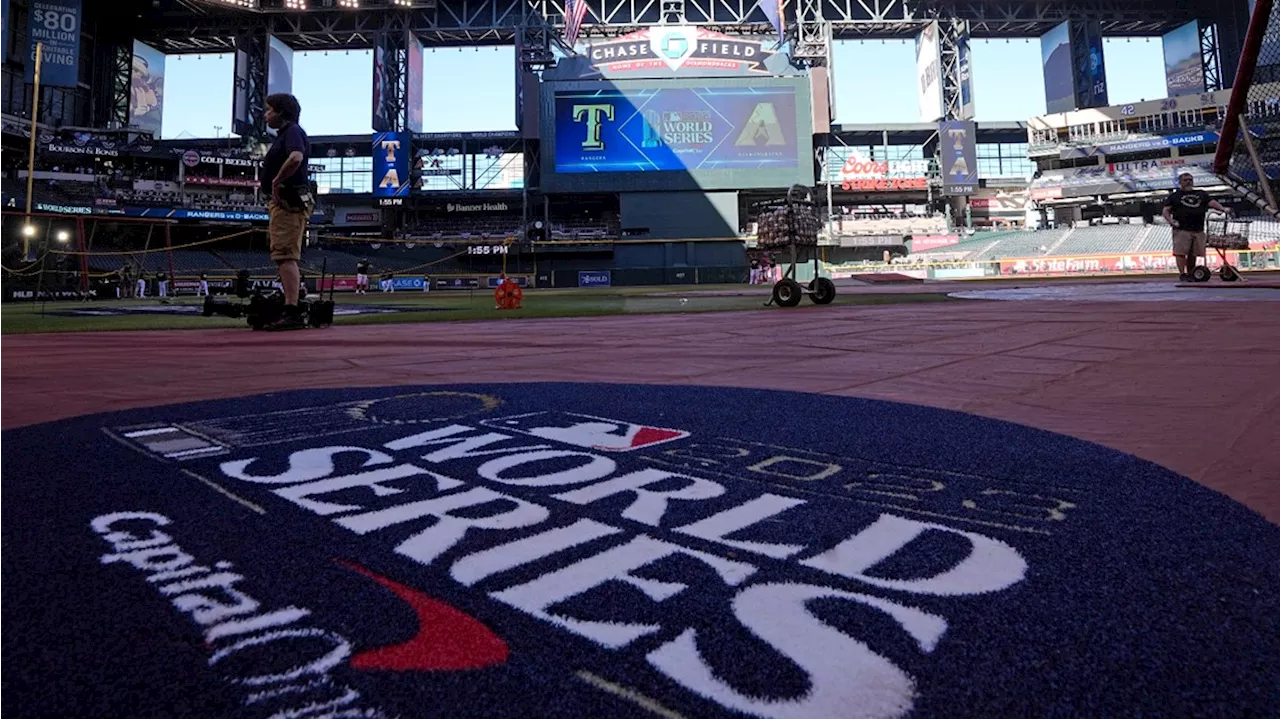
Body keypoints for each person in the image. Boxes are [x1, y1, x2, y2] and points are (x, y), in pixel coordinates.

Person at [260, 93, 313, 330]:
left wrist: (276, 180)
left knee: (285, 256)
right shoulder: (288, 133)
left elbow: (296, 157)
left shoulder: (291, 131)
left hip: (287, 201)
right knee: (283, 255)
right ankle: (291, 305)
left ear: (281, 113)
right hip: (289, 200)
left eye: (269, 110)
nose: (266, 115)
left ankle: (291, 310)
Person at [1162, 173, 1229, 282]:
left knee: (1193, 253)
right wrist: (1170, 221)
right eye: (1185, 180)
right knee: (1181, 253)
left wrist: (1222, 209)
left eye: (1190, 179)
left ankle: (1190, 273)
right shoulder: (1174, 196)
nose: (1188, 181)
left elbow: (1212, 202)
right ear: (1180, 182)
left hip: (1198, 228)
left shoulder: (1201, 193)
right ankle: (1182, 274)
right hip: (1182, 228)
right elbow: (1165, 210)